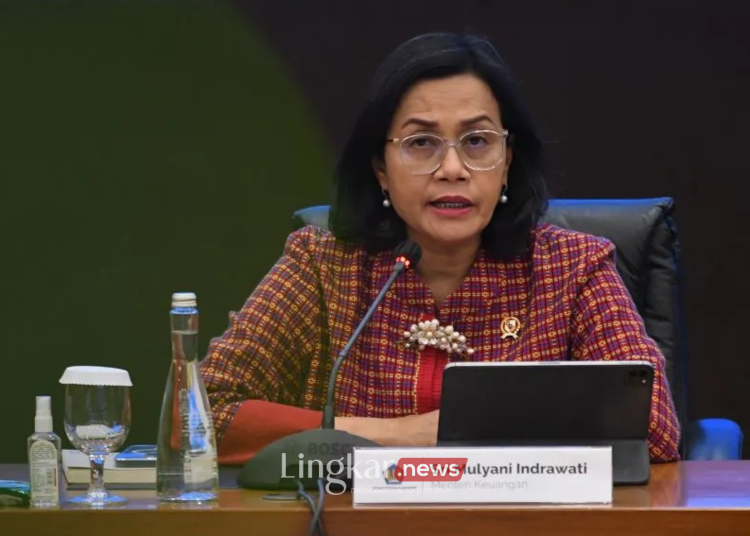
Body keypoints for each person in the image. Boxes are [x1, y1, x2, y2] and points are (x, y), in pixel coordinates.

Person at [199, 32, 681, 465]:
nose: (452, 168)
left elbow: (654, 431)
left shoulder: (572, 268)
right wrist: (395, 436)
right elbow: (198, 416)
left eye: (477, 141)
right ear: (381, 168)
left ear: (507, 162)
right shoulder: (323, 268)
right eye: (421, 143)